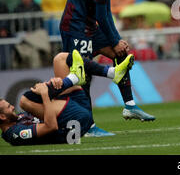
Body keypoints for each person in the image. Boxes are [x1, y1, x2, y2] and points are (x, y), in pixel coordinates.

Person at [59, 0, 155, 137]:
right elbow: (103, 15)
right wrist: (114, 39)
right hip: (75, 27)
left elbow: (104, 12)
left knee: (121, 54)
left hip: (87, 25)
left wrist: (116, 40)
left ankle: (129, 105)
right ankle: (87, 127)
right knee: (82, 74)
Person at [0, 49, 134, 146]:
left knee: (60, 59)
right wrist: (45, 93)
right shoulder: (15, 133)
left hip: (75, 110)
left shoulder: (19, 118)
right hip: (72, 126)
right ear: (2, 117)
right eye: (8, 107)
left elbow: (43, 106)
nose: (13, 107)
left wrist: (52, 85)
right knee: (24, 101)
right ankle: (72, 79)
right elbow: (50, 126)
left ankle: (113, 73)